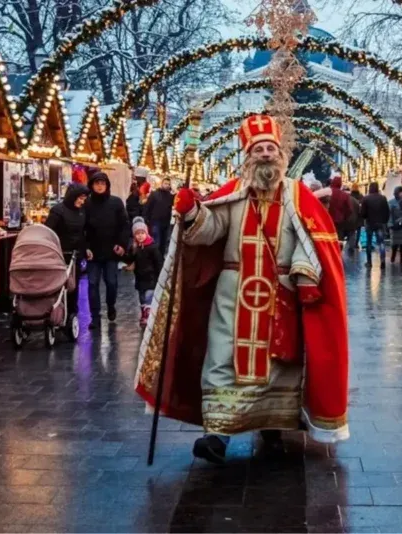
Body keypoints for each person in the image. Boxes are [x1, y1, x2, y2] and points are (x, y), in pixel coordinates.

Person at [134, 114, 350, 464]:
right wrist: (191, 213)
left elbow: (312, 241)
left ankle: (272, 428)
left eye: (270, 148)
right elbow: (211, 230)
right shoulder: (233, 192)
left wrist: (305, 274)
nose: (265, 154)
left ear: (280, 154)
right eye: (258, 148)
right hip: (233, 292)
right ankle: (216, 435)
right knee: (222, 357)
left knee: (278, 365)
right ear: (248, 155)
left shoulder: (297, 195)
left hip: (280, 293)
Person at [84, 172, 130, 327]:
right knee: (92, 284)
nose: (99, 186)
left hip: (111, 251)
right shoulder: (87, 204)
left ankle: (111, 305)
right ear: (92, 185)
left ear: (107, 185)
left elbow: (124, 225)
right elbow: (81, 228)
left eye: (102, 183)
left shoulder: (116, 203)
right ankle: (95, 316)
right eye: (97, 183)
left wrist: (122, 245)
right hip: (93, 253)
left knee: (111, 282)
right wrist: (86, 247)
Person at [44, 183, 89, 316]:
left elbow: (82, 232)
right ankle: (56, 310)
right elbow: (49, 231)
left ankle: (72, 312)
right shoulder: (58, 211)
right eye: (80, 198)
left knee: (73, 284)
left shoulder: (81, 211)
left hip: (75, 254)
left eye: (84, 199)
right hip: (60, 253)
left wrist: (85, 249)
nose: (82, 201)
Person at [122, 217, 163, 328]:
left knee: (149, 296)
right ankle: (144, 313)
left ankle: (148, 315)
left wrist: (160, 275)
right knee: (142, 298)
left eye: (142, 233)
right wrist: (122, 254)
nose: (140, 236)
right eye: (137, 234)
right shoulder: (135, 247)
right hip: (140, 277)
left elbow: (158, 262)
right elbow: (130, 259)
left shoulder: (152, 247)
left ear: (146, 233)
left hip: (151, 277)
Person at [360, 182, 390, 269]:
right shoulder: (383, 198)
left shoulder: (366, 199)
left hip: (370, 223)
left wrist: (365, 217)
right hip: (380, 223)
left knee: (369, 242)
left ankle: (369, 262)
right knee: (381, 242)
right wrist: (385, 221)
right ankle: (382, 260)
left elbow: (362, 213)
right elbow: (387, 211)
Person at [144, 177, 175, 255]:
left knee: (163, 243)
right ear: (161, 184)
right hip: (155, 221)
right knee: (156, 241)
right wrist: (146, 219)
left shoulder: (170, 196)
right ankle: (155, 259)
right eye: (165, 183)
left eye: (168, 184)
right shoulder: (154, 194)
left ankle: (160, 259)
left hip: (166, 222)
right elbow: (148, 207)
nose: (167, 185)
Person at [328, 175, 352, 246]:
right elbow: (349, 209)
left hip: (328, 220)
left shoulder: (328, 192)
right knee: (339, 240)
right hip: (340, 222)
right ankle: (338, 254)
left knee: (329, 240)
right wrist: (344, 217)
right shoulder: (345, 195)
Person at [389, 186, 402, 264]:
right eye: (401, 192)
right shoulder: (391, 202)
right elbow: (389, 214)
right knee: (395, 243)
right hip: (394, 225)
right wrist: (390, 224)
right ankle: (393, 255)